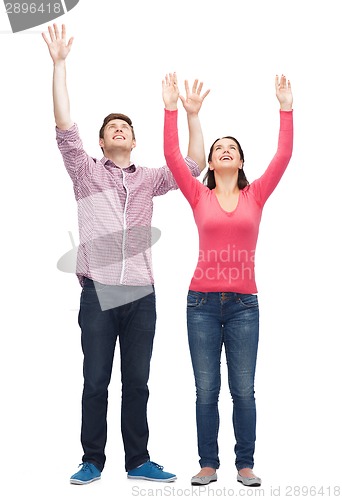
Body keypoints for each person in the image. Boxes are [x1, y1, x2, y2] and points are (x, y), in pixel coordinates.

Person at [42, 24, 209, 485]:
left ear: (133, 141)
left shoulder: (149, 180)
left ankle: (138, 461)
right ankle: (91, 459)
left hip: (141, 292)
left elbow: (192, 168)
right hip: (98, 291)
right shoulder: (84, 171)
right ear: (101, 142)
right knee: (95, 381)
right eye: (111, 127)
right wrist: (59, 65)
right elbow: (64, 126)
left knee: (137, 383)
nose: (119, 130)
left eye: (126, 127)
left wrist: (191, 115)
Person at [162, 72, 293, 486]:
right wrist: (178, 112)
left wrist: (285, 108)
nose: (222, 152)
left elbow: (283, 156)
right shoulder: (197, 195)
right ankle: (207, 464)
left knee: (244, 390)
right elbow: (171, 156)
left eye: (229, 149)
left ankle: (245, 464)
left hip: (244, 307)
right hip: (200, 303)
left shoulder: (256, 195)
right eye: (217, 148)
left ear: (239, 161)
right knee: (205, 391)